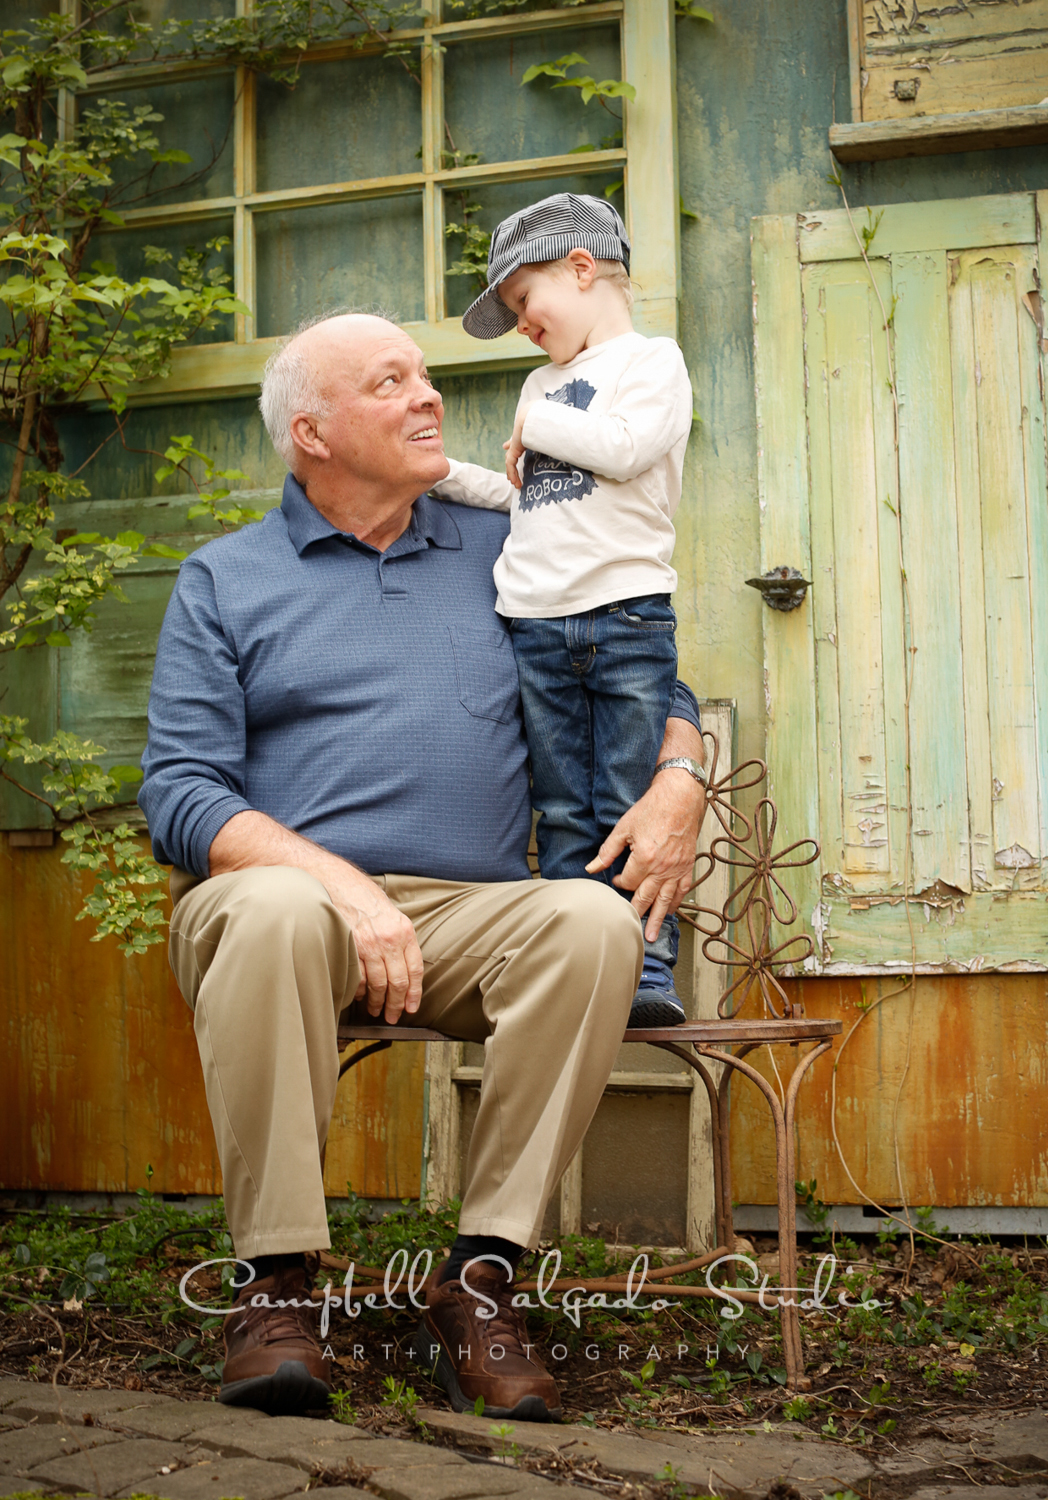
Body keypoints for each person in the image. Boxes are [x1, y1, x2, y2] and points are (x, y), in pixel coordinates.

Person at [138, 312, 707, 1423]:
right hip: (282, 910)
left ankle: (481, 1280)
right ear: (312, 431)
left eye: (426, 375)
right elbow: (182, 793)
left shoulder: (502, 551)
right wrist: (342, 890)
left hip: (464, 914)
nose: (428, 398)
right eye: (389, 381)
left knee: (592, 924)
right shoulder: (225, 579)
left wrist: (684, 774)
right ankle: (280, 1287)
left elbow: (636, 671)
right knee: (265, 910)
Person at [431, 194, 700, 1030]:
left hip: (623, 619)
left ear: (581, 268)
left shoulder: (650, 364)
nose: (519, 324)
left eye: (522, 301)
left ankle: (644, 971)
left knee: (625, 794)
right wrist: (441, 475)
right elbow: (525, 496)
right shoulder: (543, 385)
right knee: (560, 808)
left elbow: (621, 449)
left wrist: (535, 418)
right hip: (538, 626)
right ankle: (568, 967)